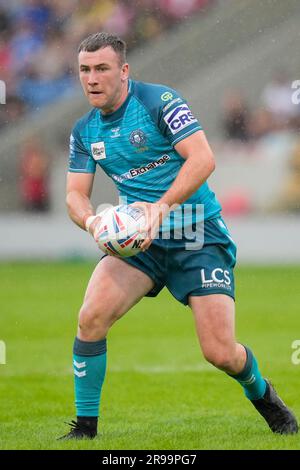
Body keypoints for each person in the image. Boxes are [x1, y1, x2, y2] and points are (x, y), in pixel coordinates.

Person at [60, 32, 298, 439]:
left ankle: (265, 397)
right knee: (91, 316)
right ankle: (85, 430)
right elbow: (75, 195)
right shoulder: (85, 131)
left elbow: (203, 158)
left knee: (220, 352)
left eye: (102, 68)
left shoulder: (158, 103)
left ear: (124, 71)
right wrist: (94, 222)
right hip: (140, 240)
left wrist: (160, 207)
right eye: (85, 70)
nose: (92, 78)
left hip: (195, 232)